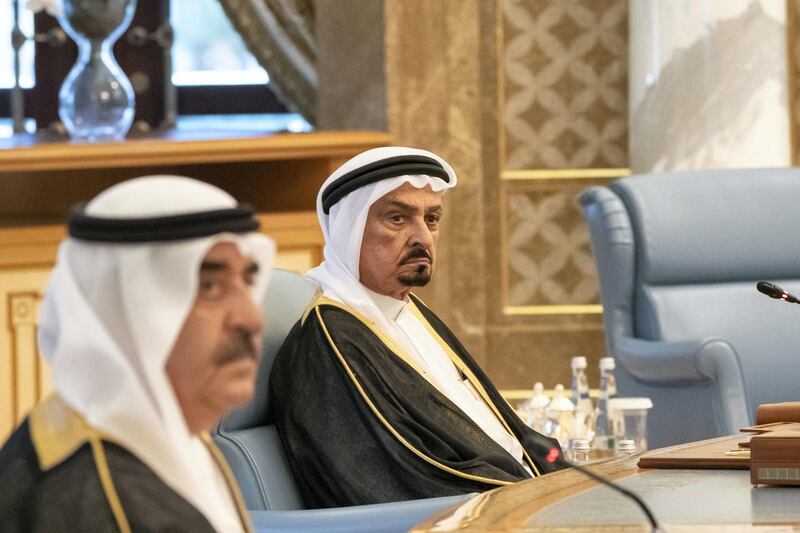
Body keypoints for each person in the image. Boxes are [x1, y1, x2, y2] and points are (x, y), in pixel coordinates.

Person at [270, 147, 564, 509]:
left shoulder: (407, 312)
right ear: (351, 228)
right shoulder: (331, 340)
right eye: (397, 218)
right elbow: (403, 479)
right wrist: (529, 497)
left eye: (433, 219)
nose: (422, 238)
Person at [0, 176, 276, 532]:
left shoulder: (172, 441)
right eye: (208, 287)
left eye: (247, 281)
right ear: (122, 310)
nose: (250, 318)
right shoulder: (96, 498)